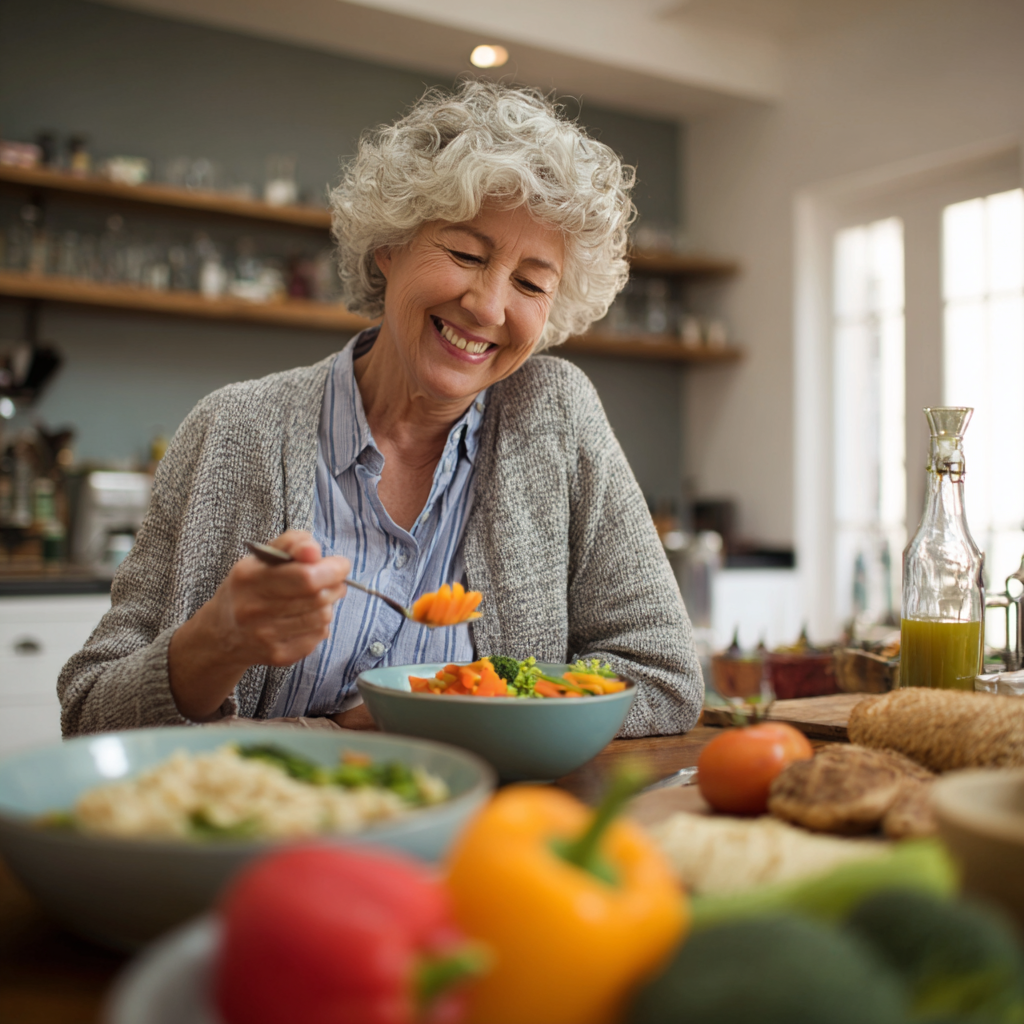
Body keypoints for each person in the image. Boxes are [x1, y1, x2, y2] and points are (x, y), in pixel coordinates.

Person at [59, 81, 703, 738]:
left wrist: (451, 708)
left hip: (489, 835)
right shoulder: (233, 430)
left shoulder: (556, 417)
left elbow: (661, 674)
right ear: (390, 247)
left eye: (531, 283)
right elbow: (90, 715)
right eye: (465, 253)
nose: (487, 306)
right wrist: (217, 641)